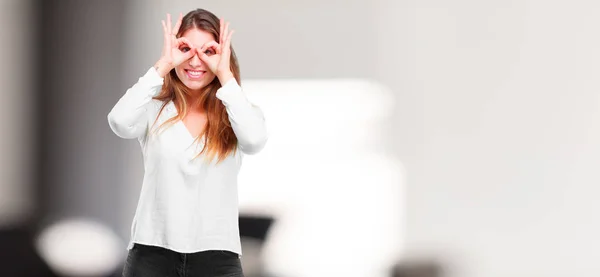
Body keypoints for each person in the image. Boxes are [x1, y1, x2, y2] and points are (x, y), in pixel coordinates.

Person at [107, 8, 268, 277]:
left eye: (208, 51)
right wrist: (163, 65)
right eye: (185, 49)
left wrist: (225, 75)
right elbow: (119, 121)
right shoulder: (153, 110)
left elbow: (254, 140)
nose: (195, 62)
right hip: (152, 256)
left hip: (218, 258)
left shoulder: (237, 113)